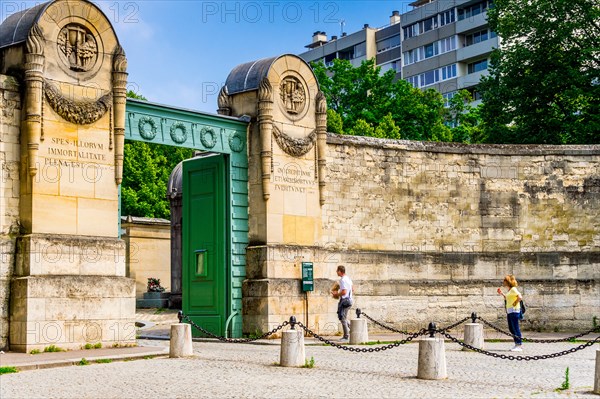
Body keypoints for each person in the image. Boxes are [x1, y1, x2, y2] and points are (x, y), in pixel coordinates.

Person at [497, 274, 523, 351]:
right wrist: (501, 293)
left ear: (507, 281)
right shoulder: (510, 290)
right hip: (510, 311)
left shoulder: (513, 289)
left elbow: (520, 297)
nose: (503, 282)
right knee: (511, 328)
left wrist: (515, 303)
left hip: (514, 311)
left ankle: (519, 345)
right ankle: (516, 344)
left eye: (504, 281)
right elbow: (507, 298)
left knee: (515, 327)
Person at [332, 265, 353, 342]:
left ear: (340, 271)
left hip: (345, 301)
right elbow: (352, 289)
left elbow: (344, 292)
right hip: (349, 300)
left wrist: (336, 294)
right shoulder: (348, 279)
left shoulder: (343, 280)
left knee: (342, 318)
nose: (336, 272)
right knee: (344, 317)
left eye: (337, 271)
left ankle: (346, 336)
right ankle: (353, 329)